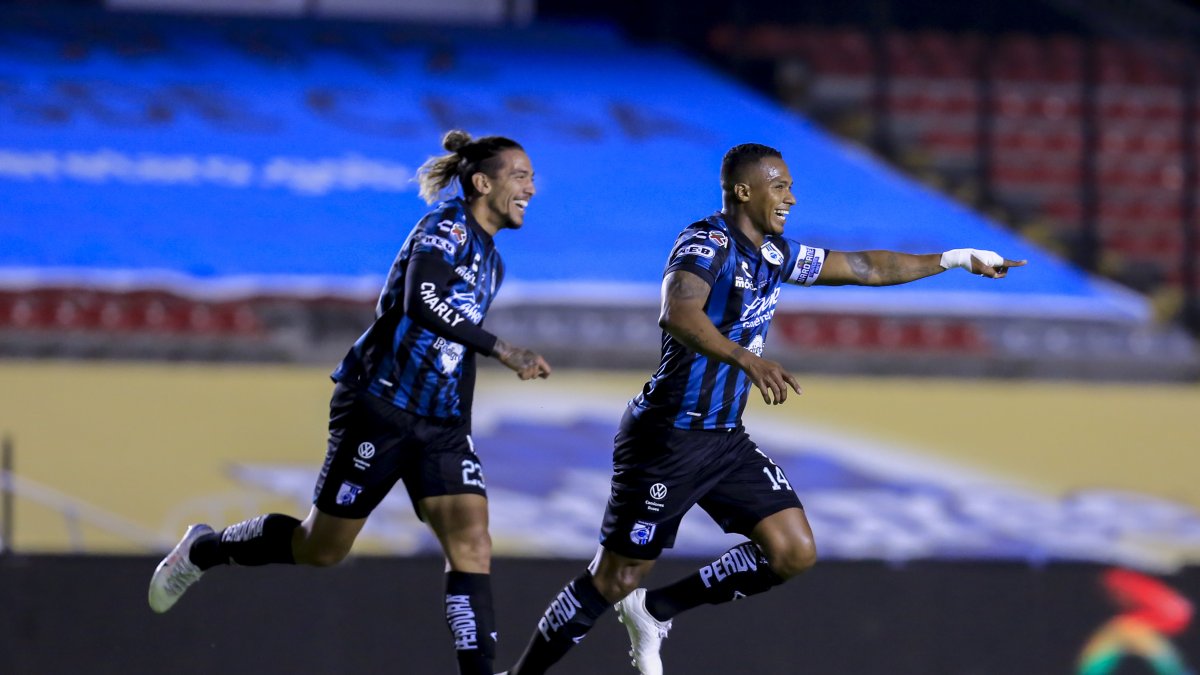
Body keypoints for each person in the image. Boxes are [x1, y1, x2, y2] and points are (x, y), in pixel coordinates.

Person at [499, 142, 1026, 675]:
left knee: (792, 551)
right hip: (666, 438)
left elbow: (864, 265)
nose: (791, 199)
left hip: (724, 439)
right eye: (780, 187)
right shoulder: (704, 244)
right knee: (613, 578)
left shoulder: (775, 254)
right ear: (743, 191)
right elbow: (678, 314)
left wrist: (957, 258)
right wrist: (746, 359)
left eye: (791, 187)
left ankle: (657, 610)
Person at [148, 129, 552, 675]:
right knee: (322, 548)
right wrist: (502, 348)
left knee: (473, 541)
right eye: (521, 175)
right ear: (483, 182)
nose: (532, 186)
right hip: (379, 405)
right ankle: (205, 549)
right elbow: (421, 302)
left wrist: (459, 430)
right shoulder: (446, 225)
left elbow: (452, 349)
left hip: (441, 425)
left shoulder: (493, 262)